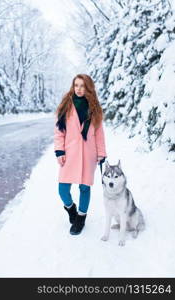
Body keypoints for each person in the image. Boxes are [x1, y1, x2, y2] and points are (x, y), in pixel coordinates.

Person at [54, 74, 107, 235]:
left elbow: (99, 133)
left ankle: (80, 219)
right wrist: (59, 151)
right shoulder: (65, 106)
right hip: (70, 154)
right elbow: (59, 131)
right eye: (76, 85)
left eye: (82, 86)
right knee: (63, 189)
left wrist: (101, 153)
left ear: (88, 87)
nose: (79, 89)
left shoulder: (94, 108)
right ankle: (72, 210)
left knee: (84, 188)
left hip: (88, 154)